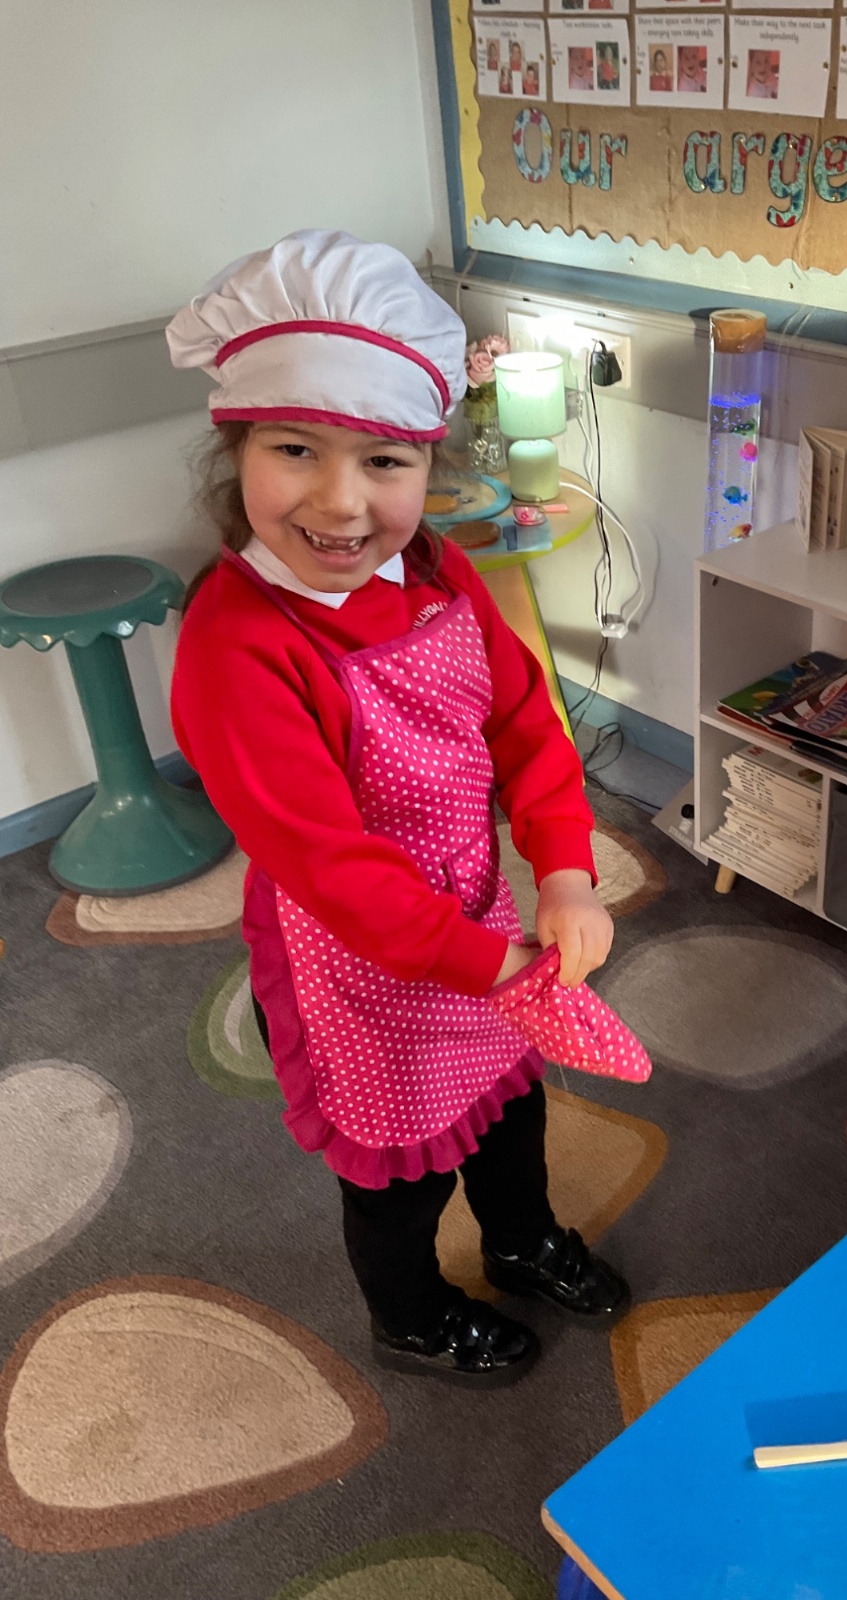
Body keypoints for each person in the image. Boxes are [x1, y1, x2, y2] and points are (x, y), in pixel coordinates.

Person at [168, 231, 626, 1387]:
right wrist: (497, 965)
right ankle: (409, 1317)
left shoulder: (435, 571)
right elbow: (334, 870)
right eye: (295, 449)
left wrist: (564, 872)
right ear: (235, 450)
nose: (340, 500)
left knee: (508, 1109)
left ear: (427, 463)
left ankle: (519, 1241)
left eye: (383, 460)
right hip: (358, 967)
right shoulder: (236, 646)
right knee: (400, 1171)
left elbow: (524, 721)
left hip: (478, 925)